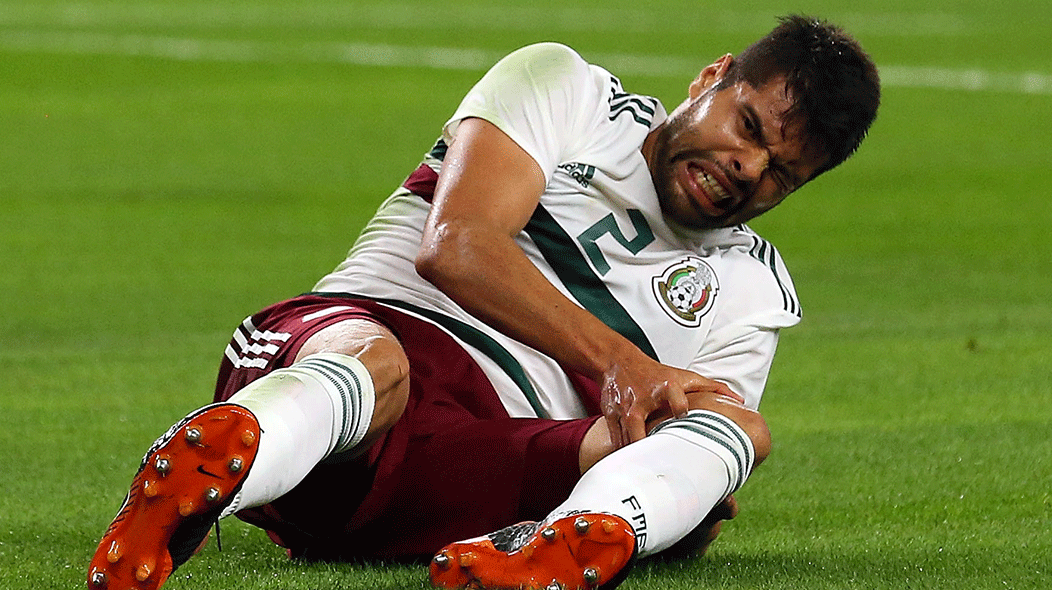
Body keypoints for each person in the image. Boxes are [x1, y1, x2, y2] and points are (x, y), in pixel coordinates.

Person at [86, 14, 879, 590]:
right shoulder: (569, 91)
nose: (747, 168)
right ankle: (226, 459)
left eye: (781, 173)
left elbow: (694, 469)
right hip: (368, 350)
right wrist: (622, 362)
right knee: (373, 366)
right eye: (747, 126)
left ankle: (569, 545)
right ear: (712, 78)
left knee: (736, 429)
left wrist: (680, 497)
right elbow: (457, 245)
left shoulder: (750, 291)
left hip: (470, 471)